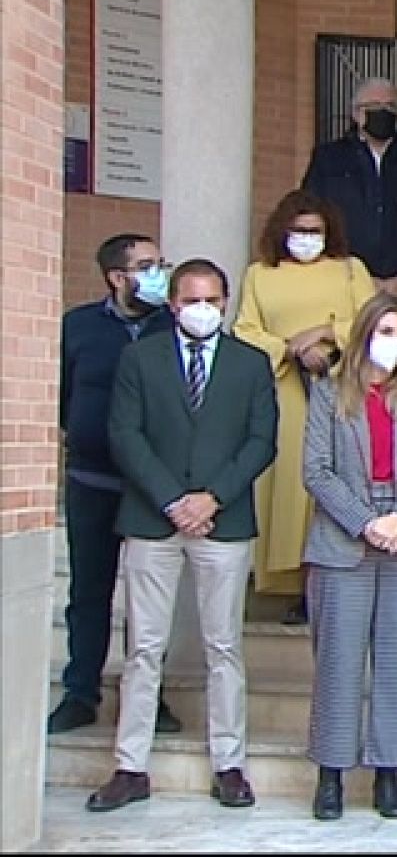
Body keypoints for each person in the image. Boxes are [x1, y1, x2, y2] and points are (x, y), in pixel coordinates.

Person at [88, 259, 278, 813]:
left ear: (225, 303)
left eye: (214, 300)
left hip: (224, 519)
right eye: (193, 300)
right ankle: (130, 765)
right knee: (144, 647)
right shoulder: (139, 358)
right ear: (172, 303)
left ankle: (229, 763)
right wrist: (173, 500)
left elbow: (261, 440)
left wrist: (212, 497)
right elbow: (125, 435)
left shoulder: (250, 363)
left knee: (225, 646)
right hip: (153, 519)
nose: (204, 310)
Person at [301, 294, 397, 822]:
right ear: (364, 333)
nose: (394, 342)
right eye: (385, 331)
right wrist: (365, 523)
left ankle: (390, 774)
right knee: (338, 658)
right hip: (345, 535)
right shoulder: (327, 395)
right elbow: (316, 471)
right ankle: (331, 774)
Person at [51, 235, 183, 736]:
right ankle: (81, 691)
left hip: (154, 484)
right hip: (92, 479)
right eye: (148, 266)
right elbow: (63, 394)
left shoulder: (172, 326)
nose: (159, 274)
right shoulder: (79, 326)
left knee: (150, 598)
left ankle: (150, 696)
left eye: (161, 265)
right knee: (89, 590)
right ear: (116, 277)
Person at [234, 190, 377, 624]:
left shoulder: (351, 271)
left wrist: (325, 333)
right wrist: (290, 349)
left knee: (338, 478)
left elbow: (375, 320)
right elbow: (246, 330)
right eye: (298, 231)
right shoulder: (260, 275)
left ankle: (336, 580)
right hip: (284, 390)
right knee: (291, 485)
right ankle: (296, 584)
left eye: (315, 231)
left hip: (341, 387)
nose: (306, 239)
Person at [301, 76, 397, 328]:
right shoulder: (329, 159)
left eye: (391, 107)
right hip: (342, 294)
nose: (384, 112)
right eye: (375, 106)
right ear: (357, 114)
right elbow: (310, 216)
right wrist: (348, 274)